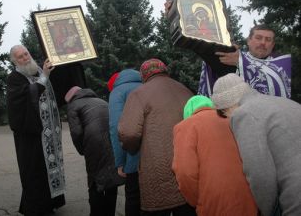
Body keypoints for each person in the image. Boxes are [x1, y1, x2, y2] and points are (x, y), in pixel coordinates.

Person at [211, 73, 301, 216]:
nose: (228, 118)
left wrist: (269, 211)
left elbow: (260, 174)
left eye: (223, 113)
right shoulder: (284, 102)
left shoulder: (244, 114)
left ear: (226, 106)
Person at [118, 58, 196, 216]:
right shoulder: (185, 89)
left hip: (157, 168)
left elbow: (129, 132)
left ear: (144, 75)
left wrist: (131, 149)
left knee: (159, 207)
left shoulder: (139, 94)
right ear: (165, 70)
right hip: (188, 165)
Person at [172, 95, 258, 216]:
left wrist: (196, 199)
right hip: (247, 197)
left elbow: (185, 171)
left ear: (188, 113)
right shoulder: (231, 120)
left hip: (214, 202)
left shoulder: (185, 127)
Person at [6, 45, 65, 215]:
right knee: (34, 171)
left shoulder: (38, 70)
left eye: (26, 54)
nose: (25, 58)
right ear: (14, 61)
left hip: (47, 132)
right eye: (20, 57)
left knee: (49, 167)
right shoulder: (14, 77)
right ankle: (37, 208)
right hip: (29, 134)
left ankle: (52, 202)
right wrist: (45, 77)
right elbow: (28, 96)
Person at [65, 86, 124, 216]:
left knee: (94, 180)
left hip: (93, 143)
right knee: (111, 179)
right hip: (111, 140)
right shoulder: (102, 101)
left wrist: (82, 149)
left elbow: (76, 132)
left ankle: (96, 213)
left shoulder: (73, 105)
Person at [198, 24, 291, 98]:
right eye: (258, 38)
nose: (263, 42)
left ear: (273, 44)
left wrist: (242, 62)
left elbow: (279, 83)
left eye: (268, 40)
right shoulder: (234, 57)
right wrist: (226, 49)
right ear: (248, 41)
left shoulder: (281, 65)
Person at [108, 69, 142, 216]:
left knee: (133, 197)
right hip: (156, 156)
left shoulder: (117, 92)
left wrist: (120, 161)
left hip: (133, 157)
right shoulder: (147, 86)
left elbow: (116, 126)